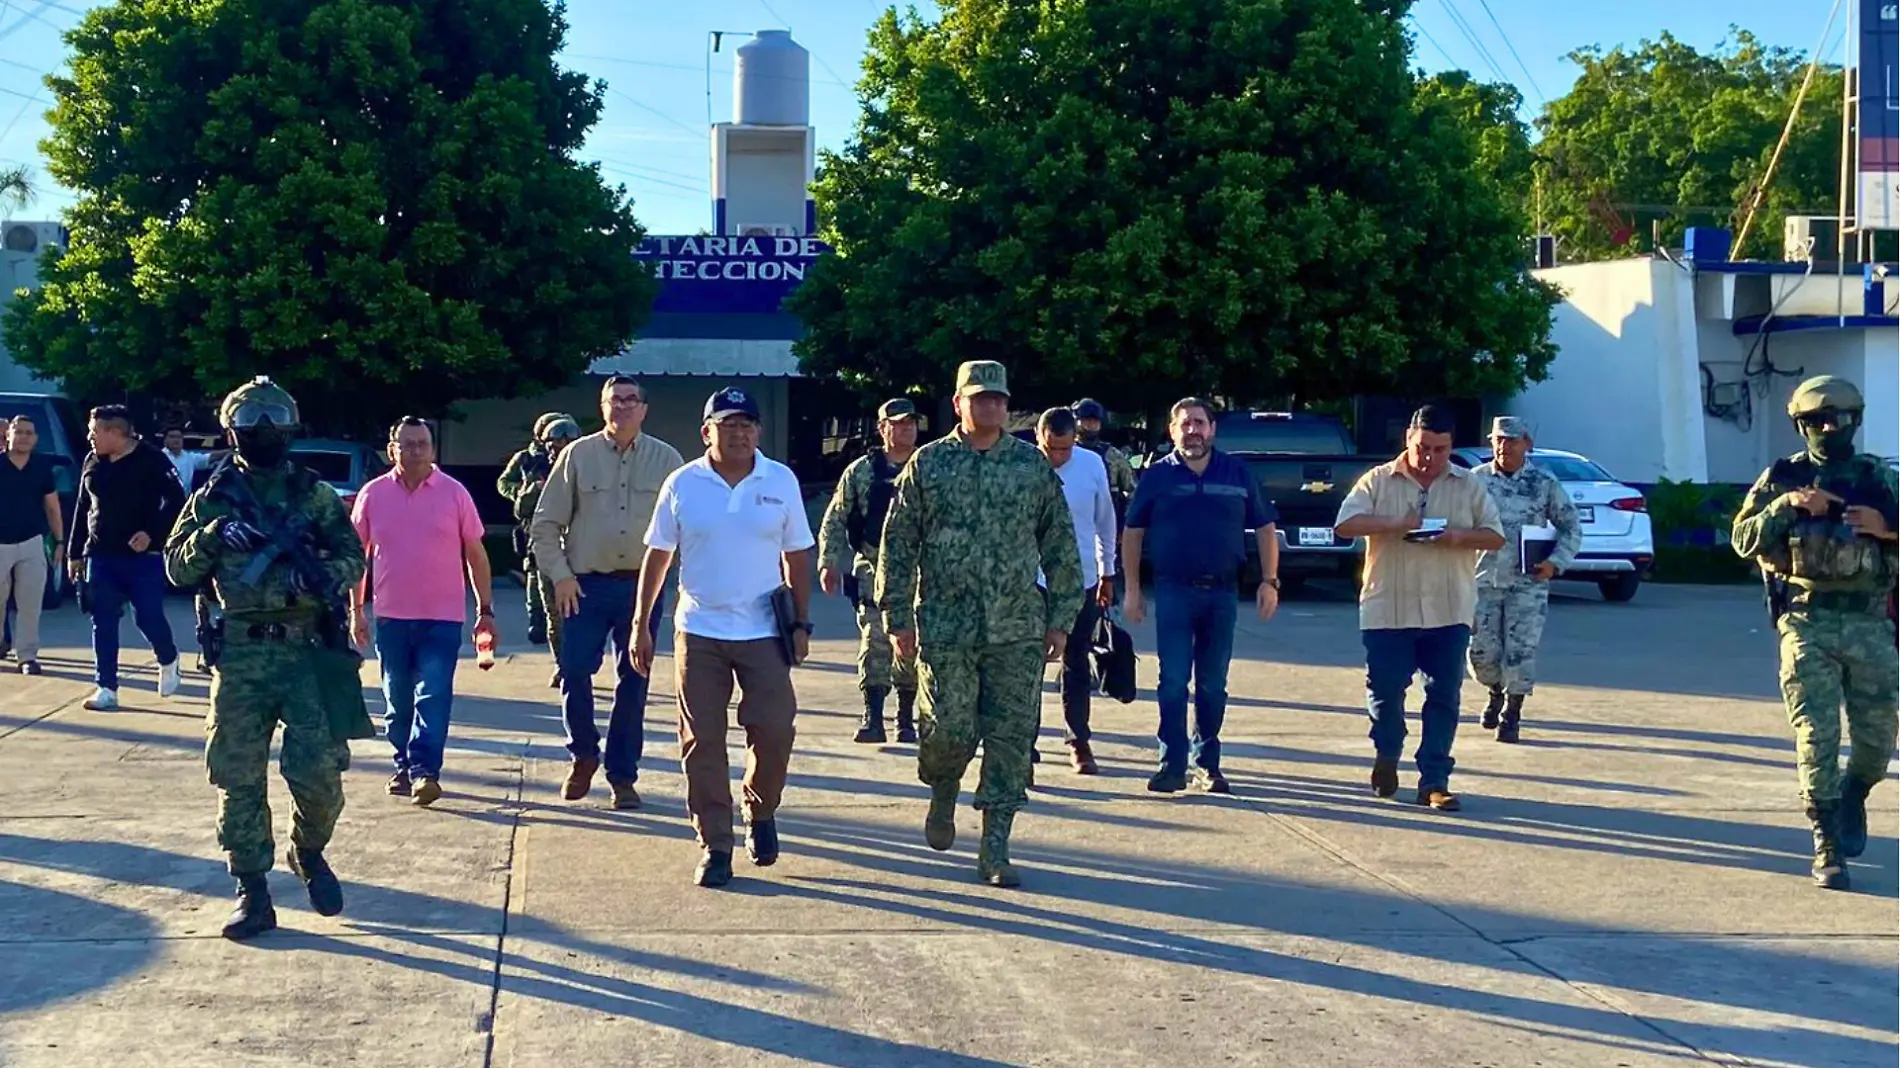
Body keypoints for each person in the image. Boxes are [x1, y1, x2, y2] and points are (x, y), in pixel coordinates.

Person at [164, 376, 372, 941]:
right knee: (238, 778)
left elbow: (353, 554)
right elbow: (178, 569)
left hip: (305, 650)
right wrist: (213, 534)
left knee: (320, 774)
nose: (263, 437)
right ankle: (252, 891)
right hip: (241, 653)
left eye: (273, 428)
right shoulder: (212, 495)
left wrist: (321, 574)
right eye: (252, 429)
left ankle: (309, 851)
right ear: (233, 434)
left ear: (288, 430)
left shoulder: (313, 494)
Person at [877, 359, 1083, 888]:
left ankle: (995, 846)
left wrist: (1061, 617)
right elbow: (898, 543)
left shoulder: (1030, 467)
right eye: (979, 397)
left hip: (1017, 628)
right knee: (950, 729)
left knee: (1011, 738)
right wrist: (896, 616)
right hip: (946, 626)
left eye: (998, 398)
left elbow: (1059, 543)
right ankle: (943, 785)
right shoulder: (928, 464)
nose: (990, 406)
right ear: (958, 404)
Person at [633, 386, 815, 888]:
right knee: (702, 742)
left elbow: (797, 555)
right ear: (706, 432)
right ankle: (715, 843)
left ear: (758, 430)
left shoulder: (779, 480)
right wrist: (640, 623)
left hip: (763, 630)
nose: (739, 433)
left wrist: (801, 622)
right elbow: (658, 555)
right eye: (727, 425)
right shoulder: (683, 483)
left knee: (776, 729)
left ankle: (761, 809)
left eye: (747, 425)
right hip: (700, 629)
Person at [1731, 375, 1898, 891]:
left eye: (1841, 419)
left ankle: (1855, 794)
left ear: (1856, 420)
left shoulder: (1877, 479)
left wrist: (1887, 527)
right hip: (1808, 621)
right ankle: (1826, 843)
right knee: (1815, 736)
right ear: (1801, 425)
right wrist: (1787, 507)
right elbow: (1741, 539)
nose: (1831, 428)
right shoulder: (1783, 478)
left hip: (1871, 623)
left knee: (1876, 743)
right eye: (1819, 421)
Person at [1333, 405, 1504, 812]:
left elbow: (1495, 536)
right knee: (1386, 691)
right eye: (1422, 447)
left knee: (1444, 696)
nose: (1429, 457)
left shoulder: (1467, 485)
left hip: (1449, 610)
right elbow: (1344, 525)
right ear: (1408, 439)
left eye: (1440, 449)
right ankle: (1387, 752)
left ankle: (1434, 781)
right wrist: (1397, 524)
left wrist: (1457, 536)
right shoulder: (1378, 480)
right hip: (1388, 608)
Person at [532, 376, 684, 809]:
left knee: (633, 681)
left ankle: (622, 775)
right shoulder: (577, 456)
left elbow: (686, 528)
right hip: (585, 586)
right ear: (602, 408)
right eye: (614, 400)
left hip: (643, 587)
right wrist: (561, 575)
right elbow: (545, 525)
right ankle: (583, 754)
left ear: (644, 409)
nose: (622, 407)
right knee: (574, 669)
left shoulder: (666, 460)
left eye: (631, 400)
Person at [1120, 398, 1280, 794]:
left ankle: (1207, 763)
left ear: (1212, 429)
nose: (1192, 430)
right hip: (1174, 591)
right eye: (1184, 424)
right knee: (1173, 682)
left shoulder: (1238, 473)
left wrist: (1270, 580)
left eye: (1199, 423)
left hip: (1223, 593)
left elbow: (1264, 527)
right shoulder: (1157, 477)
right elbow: (1133, 533)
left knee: (1212, 684)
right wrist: (1133, 589)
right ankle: (1171, 765)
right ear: (1172, 431)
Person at [348, 416, 497, 808]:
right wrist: (355, 611)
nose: (415, 451)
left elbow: (476, 555)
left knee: (433, 694)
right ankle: (404, 762)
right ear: (392, 448)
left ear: (433, 449)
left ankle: (425, 771)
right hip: (392, 617)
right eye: (407, 444)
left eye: (422, 444)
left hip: (442, 618)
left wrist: (485, 609)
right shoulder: (373, 494)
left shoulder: (454, 494)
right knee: (397, 701)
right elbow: (355, 558)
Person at [1469, 416, 1582, 743]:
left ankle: (1512, 712)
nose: (1504, 446)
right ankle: (1494, 691)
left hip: (1528, 582)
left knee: (1521, 650)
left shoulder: (1543, 484)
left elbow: (1571, 527)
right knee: (1482, 653)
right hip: (1484, 579)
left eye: (1511, 440)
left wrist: (1555, 563)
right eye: (1498, 440)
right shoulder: (1474, 482)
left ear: (1526, 443)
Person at [69, 404, 187, 710]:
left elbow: (178, 502)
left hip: (142, 557)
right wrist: (75, 552)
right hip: (101, 555)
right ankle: (106, 687)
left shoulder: (151, 460)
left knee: (147, 617)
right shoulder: (93, 460)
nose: (90, 437)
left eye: (95, 431)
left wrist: (153, 533)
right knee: (103, 620)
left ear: (115, 432)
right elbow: (83, 506)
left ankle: (168, 657)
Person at [818, 398, 921, 745]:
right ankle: (872, 714)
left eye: (910, 423)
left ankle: (906, 716)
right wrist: (829, 560)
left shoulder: (930, 466)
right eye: (898, 423)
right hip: (873, 566)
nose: (905, 429)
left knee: (912, 645)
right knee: (874, 640)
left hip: (922, 571)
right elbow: (836, 516)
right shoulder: (862, 471)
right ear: (882, 428)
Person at [1035, 407, 1117, 774]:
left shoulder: (1091, 465)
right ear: (1039, 437)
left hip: (1080, 581)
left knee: (1076, 662)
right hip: (1029, 582)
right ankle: (1023, 741)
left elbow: (1106, 522)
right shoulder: (1021, 465)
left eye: (1064, 449)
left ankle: (1078, 740)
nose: (1057, 457)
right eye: (1051, 448)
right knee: (1024, 665)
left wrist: (1107, 573)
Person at [499, 414, 581, 687]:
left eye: (567, 442)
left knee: (582, 618)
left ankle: (579, 663)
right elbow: (518, 504)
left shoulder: (588, 465)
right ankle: (563, 665)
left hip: (581, 551)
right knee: (553, 616)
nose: (560, 448)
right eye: (556, 443)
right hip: (545, 548)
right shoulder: (530, 464)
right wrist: (530, 489)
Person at [0, 416, 63, 675]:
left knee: (30, 602)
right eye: (19, 432)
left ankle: (27, 656)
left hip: (32, 542)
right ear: (8, 436)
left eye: (29, 432)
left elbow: (52, 507)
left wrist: (60, 541)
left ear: (36, 438)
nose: (24, 437)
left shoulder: (41, 467)